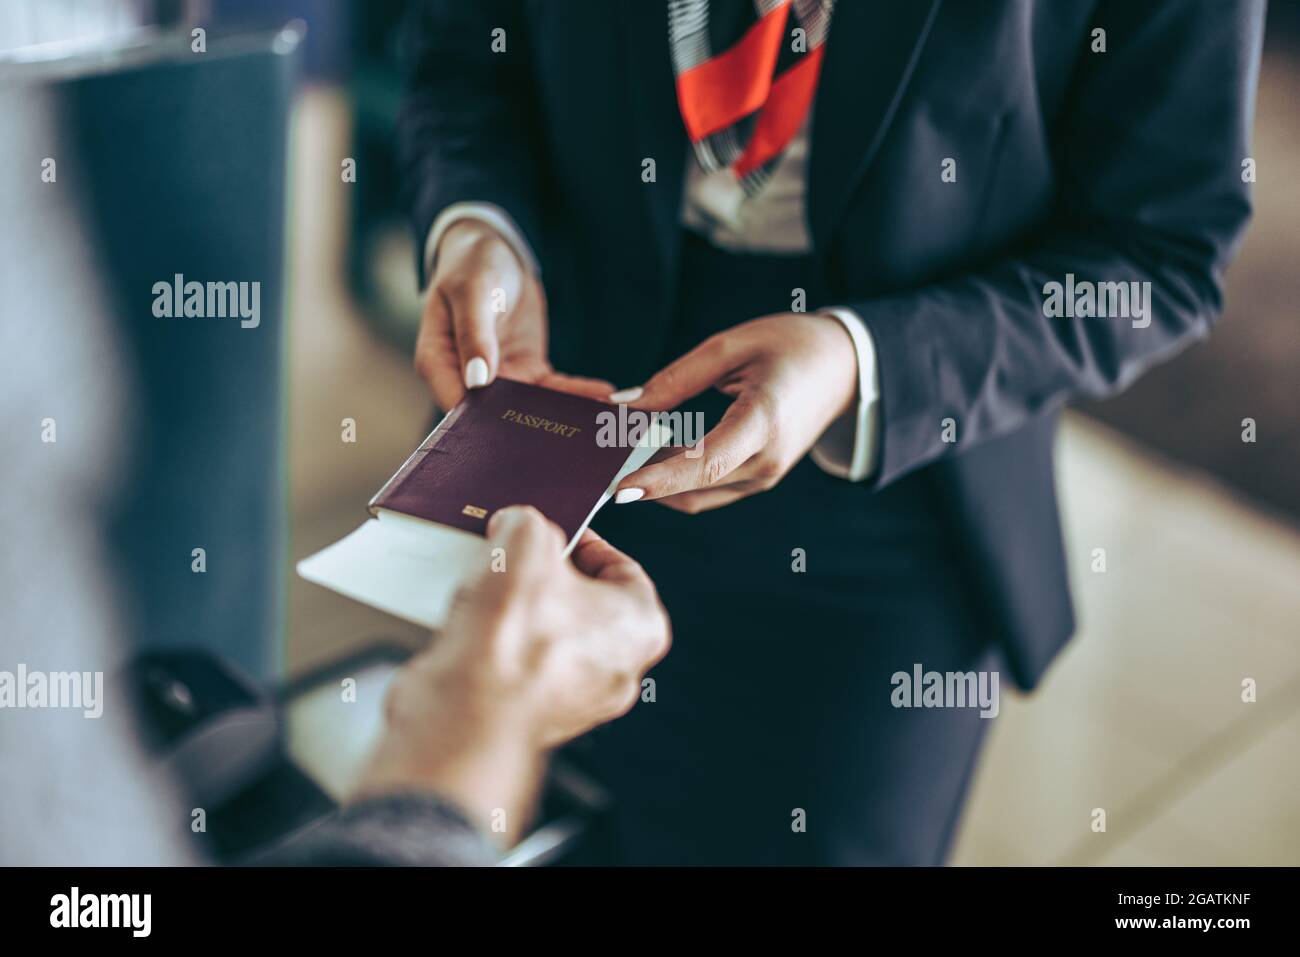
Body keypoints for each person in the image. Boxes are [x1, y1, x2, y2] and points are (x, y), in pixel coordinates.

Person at [398, 0, 1264, 863]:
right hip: (557, 385)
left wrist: (863, 362)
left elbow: (1161, 251)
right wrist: (479, 225)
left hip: (902, 463)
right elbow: (466, 59)